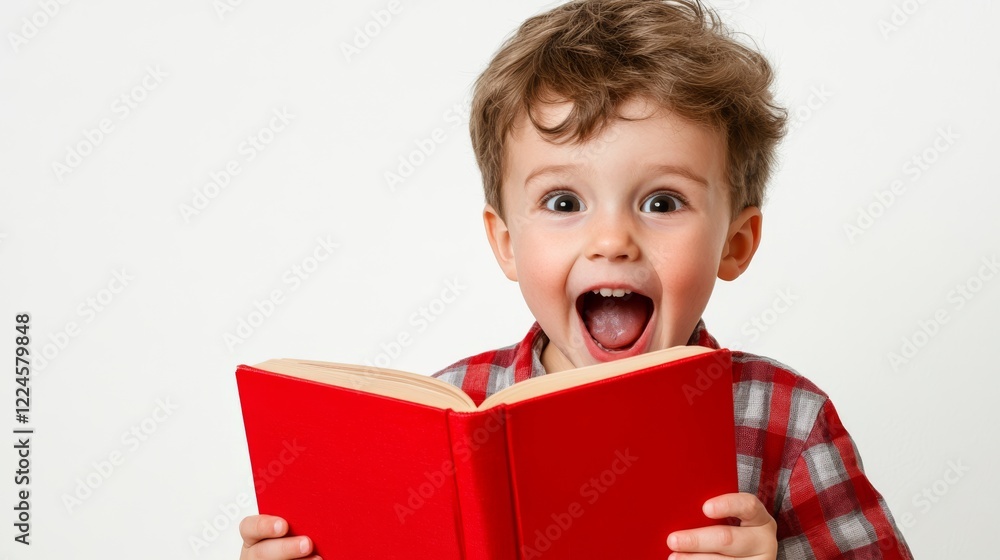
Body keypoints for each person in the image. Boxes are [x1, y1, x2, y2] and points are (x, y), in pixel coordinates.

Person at [238, 1, 914, 558]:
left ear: (735, 245)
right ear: (506, 242)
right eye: (564, 204)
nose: (612, 240)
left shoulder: (786, 421)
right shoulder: (447, 414)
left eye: (662, 202)